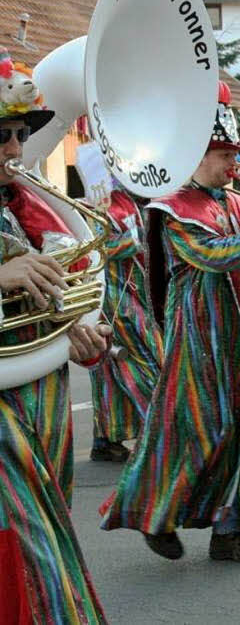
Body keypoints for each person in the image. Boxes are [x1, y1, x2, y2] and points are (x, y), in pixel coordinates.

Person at [100, 82, 240, 564]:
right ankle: (157, 516)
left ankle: (228, 532)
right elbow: (211, 255)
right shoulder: (171, 207)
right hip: (196, 337)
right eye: (225, 153)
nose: (235, 163)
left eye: (235, 151)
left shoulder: (233, 201)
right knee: (194, 433)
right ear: (195, 154)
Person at [0, 50, 111, 621]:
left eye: (19, 134)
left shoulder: (28, 208)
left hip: (43, 402)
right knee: (38, 556)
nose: (18, 150)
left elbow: (66, 300)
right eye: (4, 137)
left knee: (43, 541)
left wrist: (86, 335)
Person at [87, 186, 164, 463]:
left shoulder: (132, 197)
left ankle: (106, 439)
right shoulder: (97, 201)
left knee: (109, 370)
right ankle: (162, 434)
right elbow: (94, 250)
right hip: (113, 298)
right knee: (146, 360)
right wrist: (134, 239)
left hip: (133, 291)